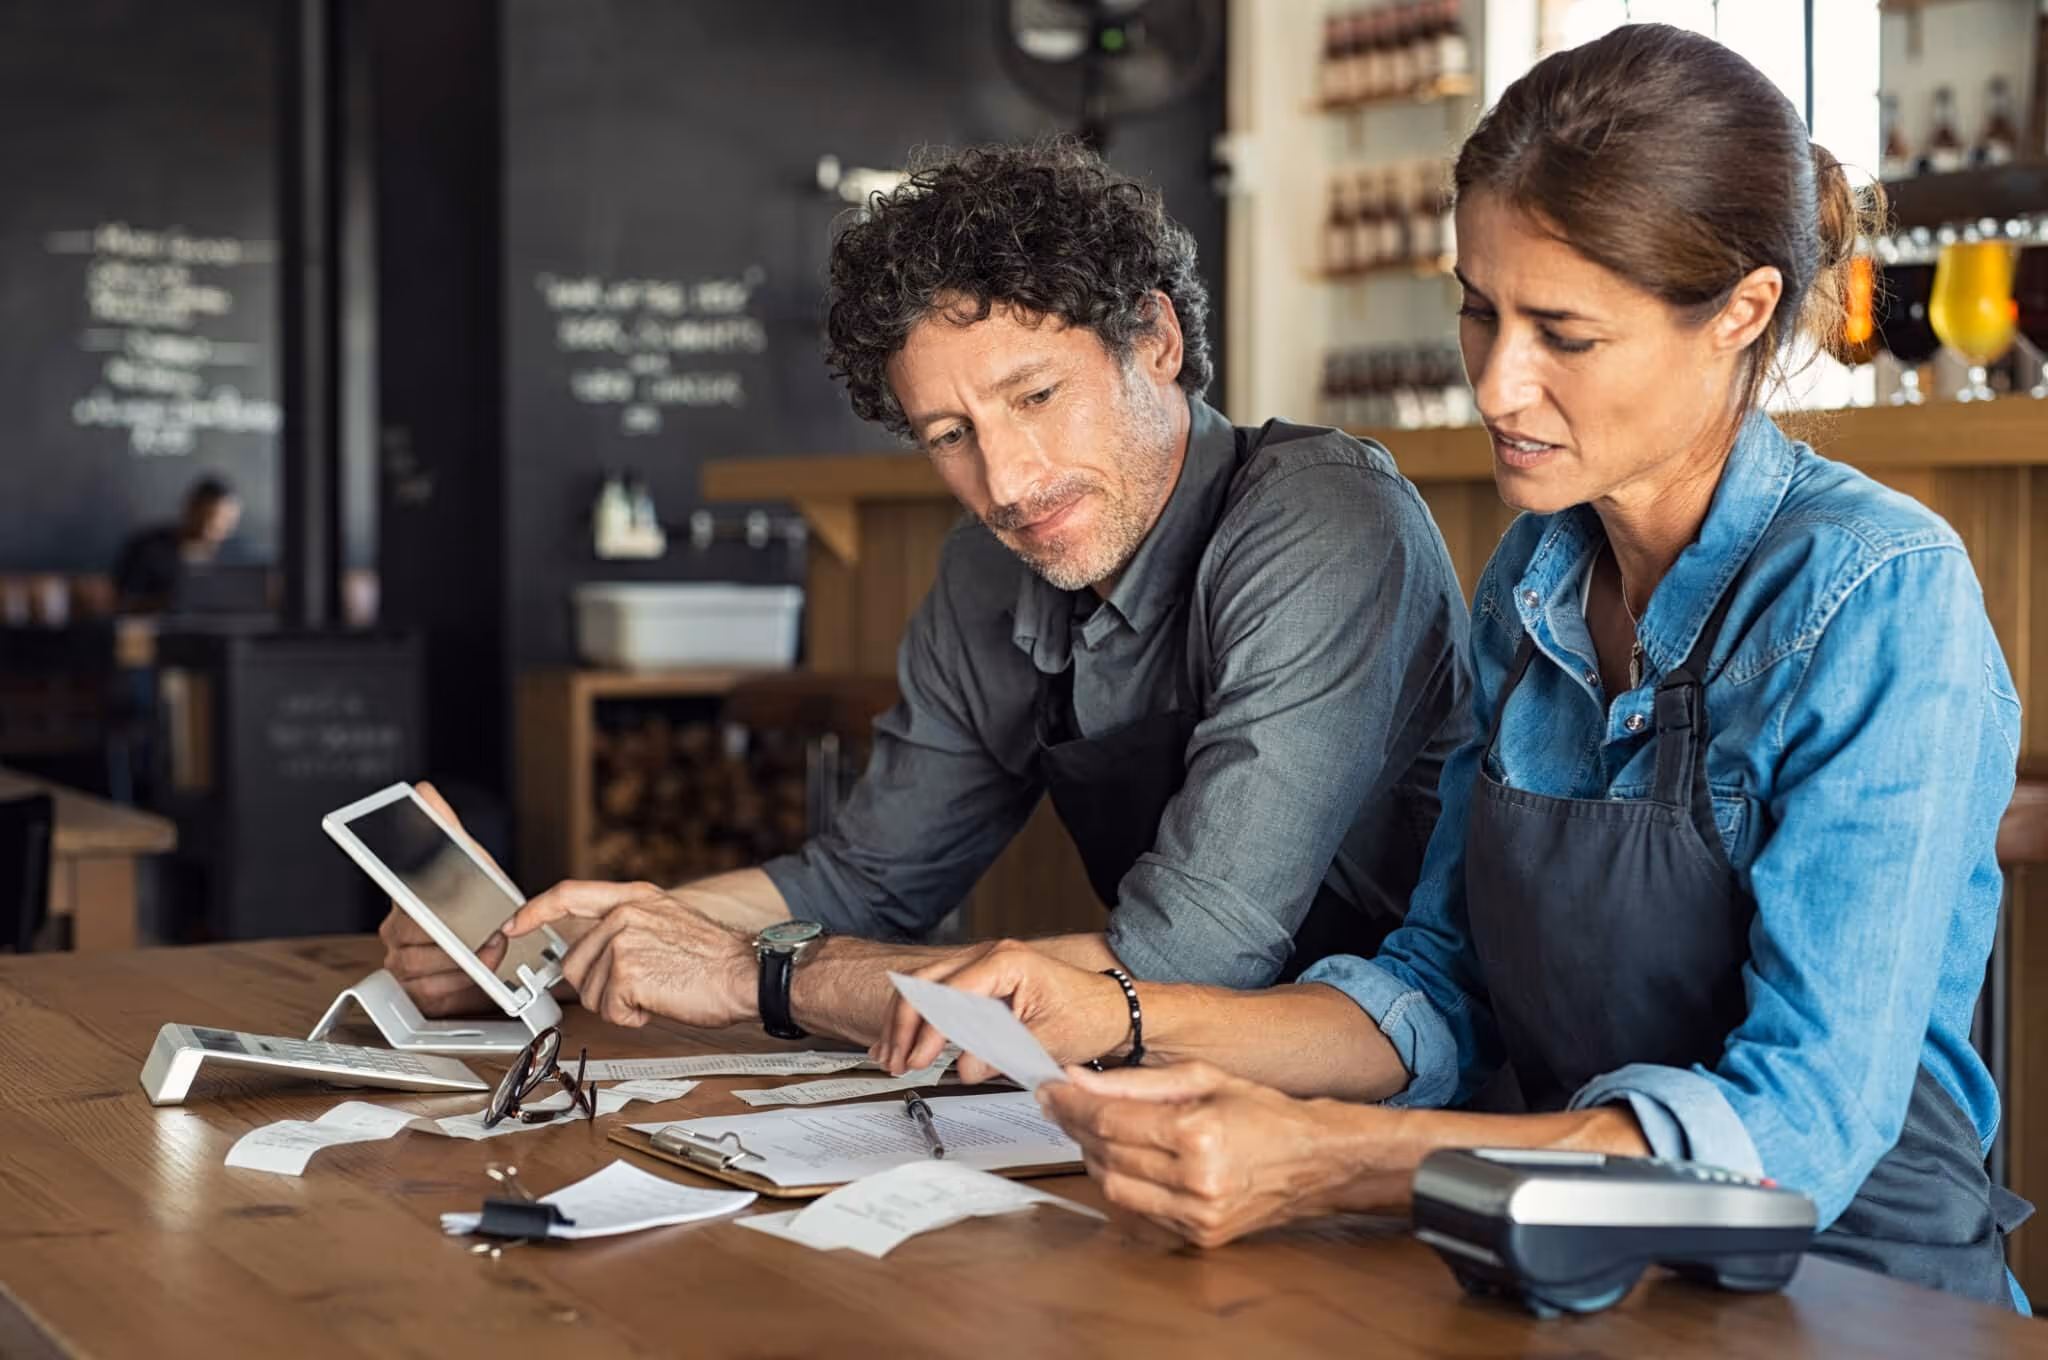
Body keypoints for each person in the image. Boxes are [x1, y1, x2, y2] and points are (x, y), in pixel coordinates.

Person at [874, 26, 2032, 1311]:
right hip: (1566, 1269)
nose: (1494, 383)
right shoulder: (1535, 579)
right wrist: (1113, 1011)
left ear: (1739, 313)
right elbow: (1439, 988)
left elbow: (1798, 1128)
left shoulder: (1876, 595)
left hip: (1847, 1297)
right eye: (1479, 310)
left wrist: (1335, 1159)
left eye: (1562, 333)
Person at [380, 140, 1473, 1043]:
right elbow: (866, 879)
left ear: (1154, 340)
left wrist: (757, 977)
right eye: (949, 435)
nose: (1007, 483)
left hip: (1408, 1095)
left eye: (1035, 396)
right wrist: (555, 940)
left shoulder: (1323, 521)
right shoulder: (987, 568)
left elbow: (1186, 959)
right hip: (1174, 1096)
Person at [111, 474, 243, 612]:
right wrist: (170, 602)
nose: (219, 525)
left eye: (228, 521)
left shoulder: (234, 557)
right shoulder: (147, 548)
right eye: (212, 516)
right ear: (192, 507)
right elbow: (123, 602)